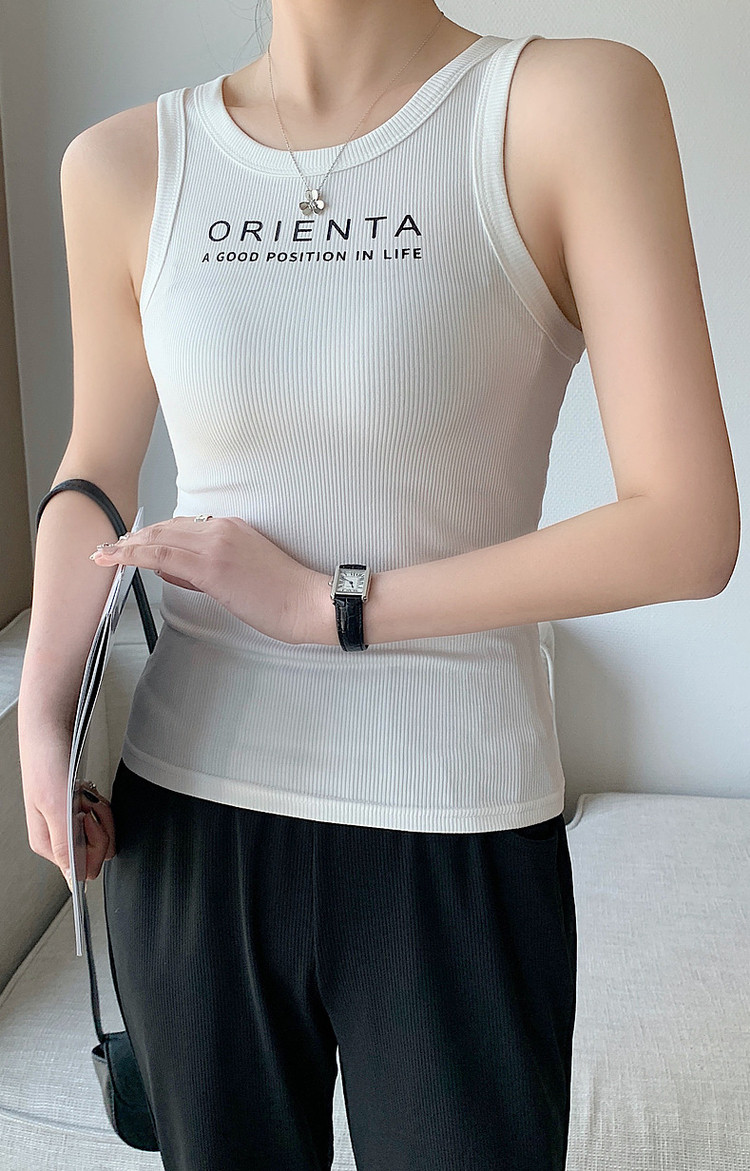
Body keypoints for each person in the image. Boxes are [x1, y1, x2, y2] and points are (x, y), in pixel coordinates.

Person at [19, 2, 739, 1169]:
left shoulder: (565, 106)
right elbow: (95, 468)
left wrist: (333, 605)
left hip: (453, 824)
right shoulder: (120, 162)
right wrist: (46, 706)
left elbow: (688, 530)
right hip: (187, 826)